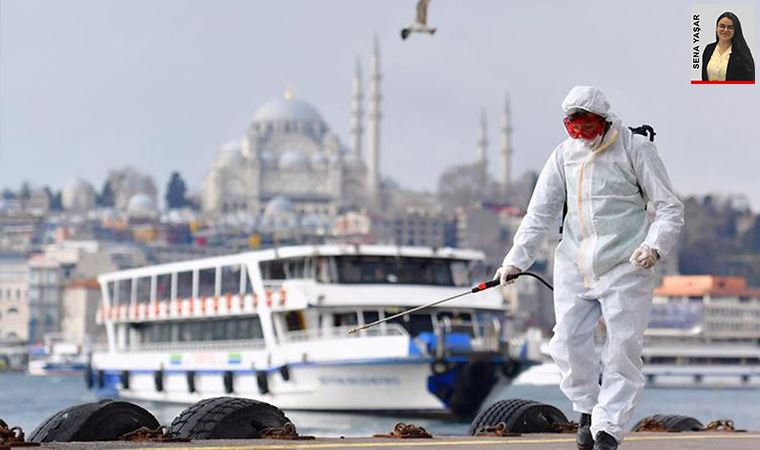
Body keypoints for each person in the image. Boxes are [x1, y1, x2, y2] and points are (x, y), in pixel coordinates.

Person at [494, 86, 684, 450]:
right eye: (572, 128)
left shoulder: (635, 149)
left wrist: (654, 247)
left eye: (586, 127)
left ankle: (608, 429)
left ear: (603, 120)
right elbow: (540, 213)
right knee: (566, 342)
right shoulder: (564, 156)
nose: (580, 135)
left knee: (622, 349)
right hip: (574, 263)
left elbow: (670, 208)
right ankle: (586, 409)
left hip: (627, 265)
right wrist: (516, 260)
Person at [702, 11, 755, 81]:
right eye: (722, 26)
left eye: (730, 27)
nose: (725, 30)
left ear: (735, 31)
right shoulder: (708, 49)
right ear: (716, 28)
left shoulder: (742, 54)